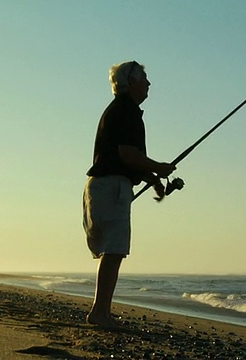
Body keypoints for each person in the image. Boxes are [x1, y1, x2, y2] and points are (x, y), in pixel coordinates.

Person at [83, 61, 175, 328]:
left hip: (104, 185)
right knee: (113, 251)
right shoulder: (126, 111)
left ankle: (101, 311)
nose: (148, 84)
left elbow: (124, 158)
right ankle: (100, 313)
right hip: (111, 187)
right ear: (130, 82)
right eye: (144, 78)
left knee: (112, 252)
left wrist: (153, 179)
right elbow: (128, 155)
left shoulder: (121, 111)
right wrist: (160, 169)